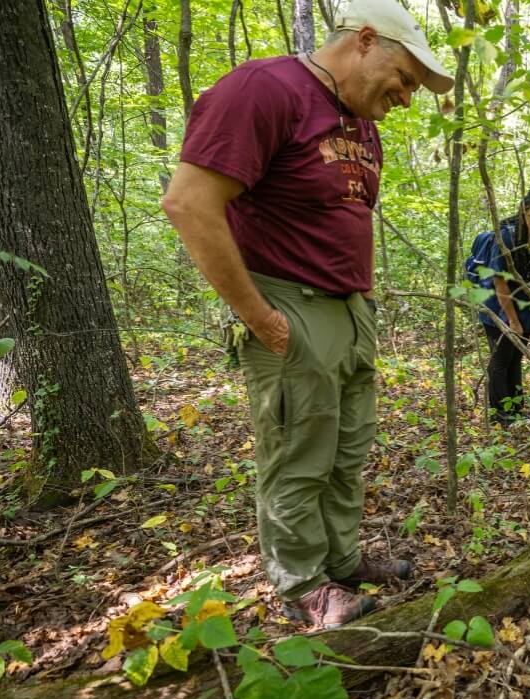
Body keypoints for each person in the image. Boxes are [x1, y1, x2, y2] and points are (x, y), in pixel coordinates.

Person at [161, 0, 454, 629]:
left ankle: (341, 561)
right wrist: (260, 317)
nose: (405, 97)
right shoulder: (266, 90)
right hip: (289, 306)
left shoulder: (359, 123)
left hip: (351, 310)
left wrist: (362, 309)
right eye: (403, 79)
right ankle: (302, 585)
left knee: (348, 450)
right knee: (299, 454)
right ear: (366, 42)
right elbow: (189, 203)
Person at [479, 190, 530, 426]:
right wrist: (512, 321)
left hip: (525, 312)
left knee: (516, 358)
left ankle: (515, 410)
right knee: (501, 360)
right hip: (499, 309)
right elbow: (499, 281)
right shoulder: (507, 236)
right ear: (523, 213)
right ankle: (501, 416)